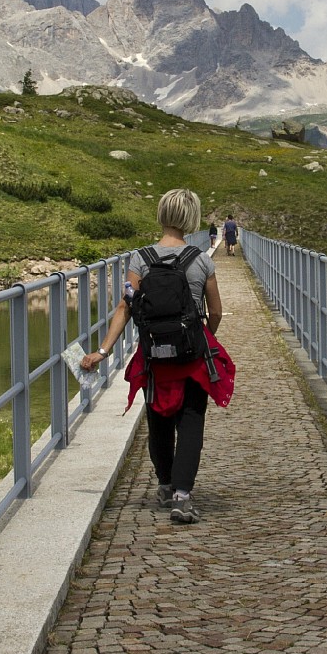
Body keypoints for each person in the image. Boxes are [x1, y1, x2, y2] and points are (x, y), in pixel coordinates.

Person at [80, 188, 234, 523]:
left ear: (162, 215)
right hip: (191, 358)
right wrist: (203, 340)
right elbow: (217, 312)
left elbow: (125, 306)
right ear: (191, 219)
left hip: (154, 358)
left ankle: (164, 485)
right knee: (191, 424)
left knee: (159, 420)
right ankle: (182, 495)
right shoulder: (201, 260)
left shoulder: (140, 259)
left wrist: (103, 351)